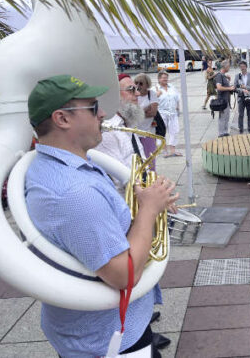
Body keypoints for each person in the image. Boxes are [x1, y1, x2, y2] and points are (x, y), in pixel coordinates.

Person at [25, 74, 179, 357]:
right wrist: (148, 210)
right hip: (110, 335)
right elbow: (124, 274)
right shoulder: (74, 192)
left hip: (94, 327)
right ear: (62, 119)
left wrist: (144, 200)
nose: (104, 113)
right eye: (94, 107)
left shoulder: (60, 165)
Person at [134, 73, 159, 170]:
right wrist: (145, 109)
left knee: (150, 159)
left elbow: (153, 112)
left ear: (147, 85)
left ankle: (152, 179)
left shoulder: (151, 94)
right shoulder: (133, 95)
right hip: (135, 132)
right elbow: (131, 114)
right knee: (137, 161)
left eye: (141, 83)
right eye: (136, 83)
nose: (138, 86)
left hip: (148, 132)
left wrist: (138, 112)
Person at [155, 70, 182, 157]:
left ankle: (173, 150)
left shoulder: (172, 87)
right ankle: (164, 150)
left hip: (173, 113)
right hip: (162, 113)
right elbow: (151, 101)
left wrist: (178, 107)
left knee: (174, 131)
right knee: (161, 132)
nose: (165, 79)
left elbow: (177, 97)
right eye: (163, 78)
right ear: (159, 79)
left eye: (166, 78)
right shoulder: (155, 89)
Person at [233, 61, 250, 134]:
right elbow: (235, 87)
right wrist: (242, 90)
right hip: (241, 97)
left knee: (249, 114)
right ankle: (241, 129)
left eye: (243, 66)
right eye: (241, 67)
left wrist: (246, 87)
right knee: (241, 114)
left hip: (249, 97)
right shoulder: (237, 76)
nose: (242, 68)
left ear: (246, 67)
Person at [214, 59, 235, 137]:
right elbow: (219, 87)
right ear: (225, 66)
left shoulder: (224, 75)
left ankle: (225, 132)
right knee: (222, 117)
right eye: (229, 66)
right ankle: (221, 133)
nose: (229, 68)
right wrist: (229, 88)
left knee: (227, 117)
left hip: (226, 100)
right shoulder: (219, 75)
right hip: (222, 101)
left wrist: (229, 83)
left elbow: (225, 86)